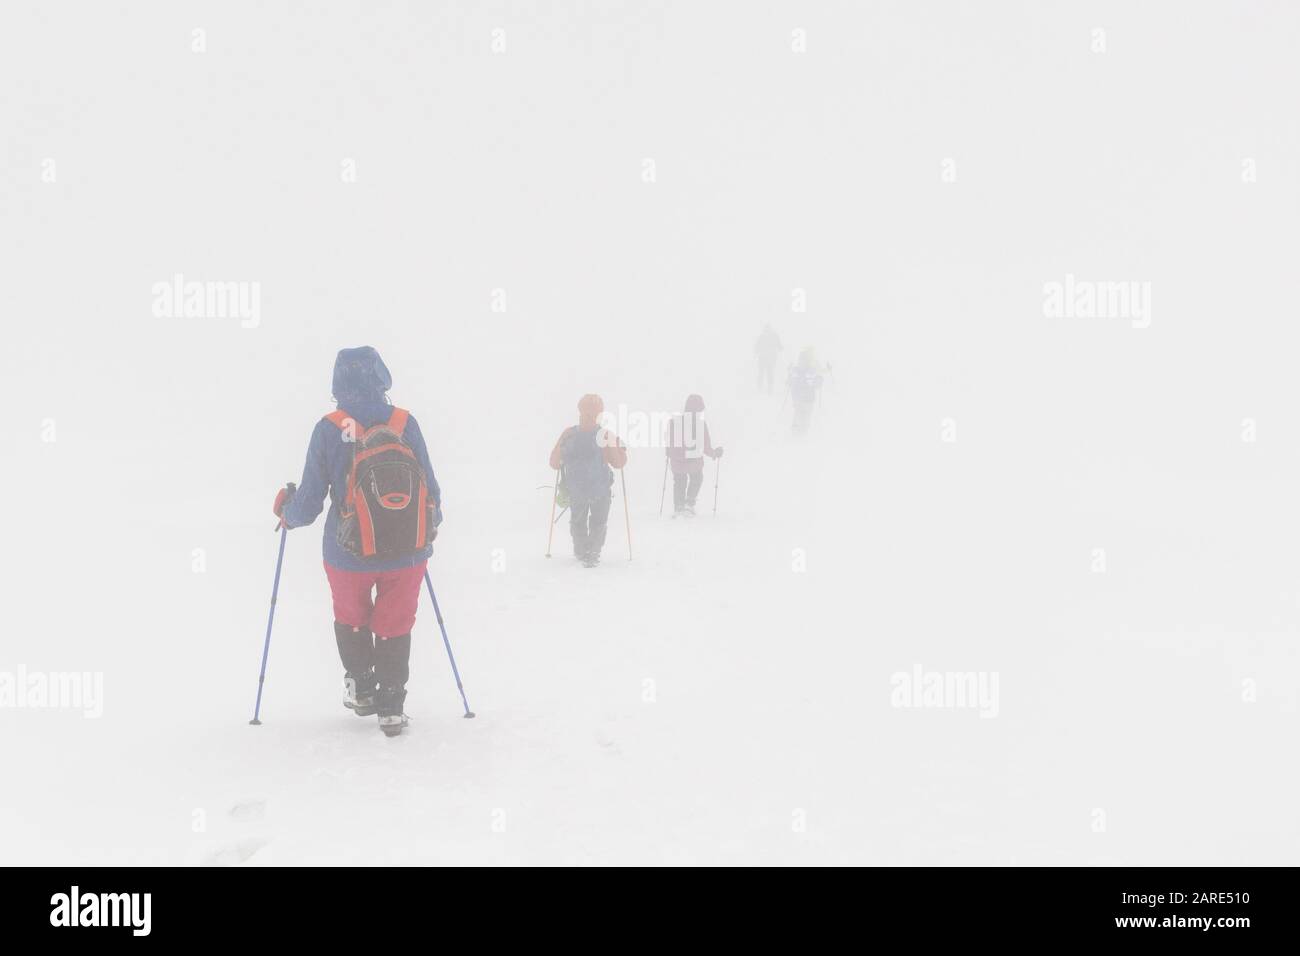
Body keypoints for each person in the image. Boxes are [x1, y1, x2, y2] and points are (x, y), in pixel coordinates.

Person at [272, 346, 441, 737]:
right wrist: (426, 530)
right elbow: (430, 487)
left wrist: (288, 514)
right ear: (382, 376)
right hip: (408, 551)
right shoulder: (404, 423)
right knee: (395, 621)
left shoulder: (330, 427)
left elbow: (311, 502)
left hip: (347, 551)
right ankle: (392, 706)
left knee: (351, 616)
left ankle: (362, 689)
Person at [549, 394, 628, 567]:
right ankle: (593, 552)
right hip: (600, 490)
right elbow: (618, 463)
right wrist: (619, 449)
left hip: (576, 490)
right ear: (600, 412)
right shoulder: (605, 435)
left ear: (580, 410)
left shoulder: (568, 434)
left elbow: (554, 463)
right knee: (599, 521)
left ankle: (580, 550)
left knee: (577, 520)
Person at [663, 394, 724, 517]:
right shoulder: (701, 425)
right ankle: (689, 504)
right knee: (697, 477)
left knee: (679, 480)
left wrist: (669, 453)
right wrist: (715, 453)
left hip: (677, 463)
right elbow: (706, 447)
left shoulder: (673, 422)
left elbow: (668, 441)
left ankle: (678, 507)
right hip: (693, 463)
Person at [788, 347, 826, 435]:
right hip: (802, 398)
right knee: (801, 415)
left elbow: (816, 381)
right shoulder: (802, 370)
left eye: (802, 360)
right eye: (800, 360)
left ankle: (799, 432)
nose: (801, 362)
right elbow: (791, 380)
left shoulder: (804, 370)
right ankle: (798, 432)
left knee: (802, 414)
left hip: (804, 398)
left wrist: (819, 380)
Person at [755, 323, 783, 394]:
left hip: (763, 358)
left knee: (762, 372)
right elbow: (780, 346)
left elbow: (756, 347)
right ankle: (769, 388)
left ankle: (760, 388)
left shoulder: (762, 336)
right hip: (770, 358)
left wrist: (757, 352)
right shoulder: (774, 336)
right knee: (769, 372)